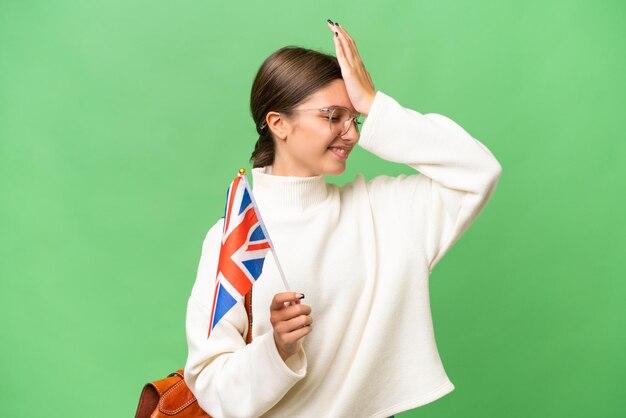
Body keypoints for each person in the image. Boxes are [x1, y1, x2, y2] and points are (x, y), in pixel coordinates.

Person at [184, 20, 502, 418]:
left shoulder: (385, 212)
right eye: (333, 116)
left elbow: (479, 170)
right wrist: (277, 348)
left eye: (355, 118)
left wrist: (375, 104)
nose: (350, 134)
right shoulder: (236, 238)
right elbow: (212, 388)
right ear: (279, 123)